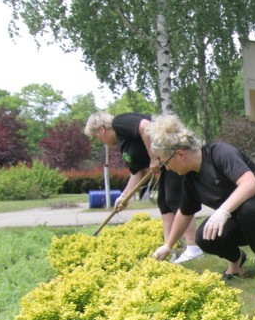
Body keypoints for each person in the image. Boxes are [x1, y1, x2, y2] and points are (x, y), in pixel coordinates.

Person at [147, 114, 255, 293]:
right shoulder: (190, 178)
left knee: (249, 209)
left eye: (165, 162)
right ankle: (236, 260)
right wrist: (168, 245)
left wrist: (222, 212)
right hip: (240, 220)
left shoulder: (220, 153)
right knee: (204, 237)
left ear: (180, 154)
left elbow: (250, 184)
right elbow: (185, 212)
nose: (166, 168)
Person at [84, 112, 202, 263]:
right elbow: (139, 172)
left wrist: (153, 158)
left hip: (175, 156)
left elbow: (145, 126)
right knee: (164, 205)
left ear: (101, 129)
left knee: (175, 200)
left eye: (96, 137)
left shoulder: (119, 123)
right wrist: (124, 197)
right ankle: (168, 249)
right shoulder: (125, 144)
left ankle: (193, 248)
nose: (99, 141)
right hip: (166, 164)